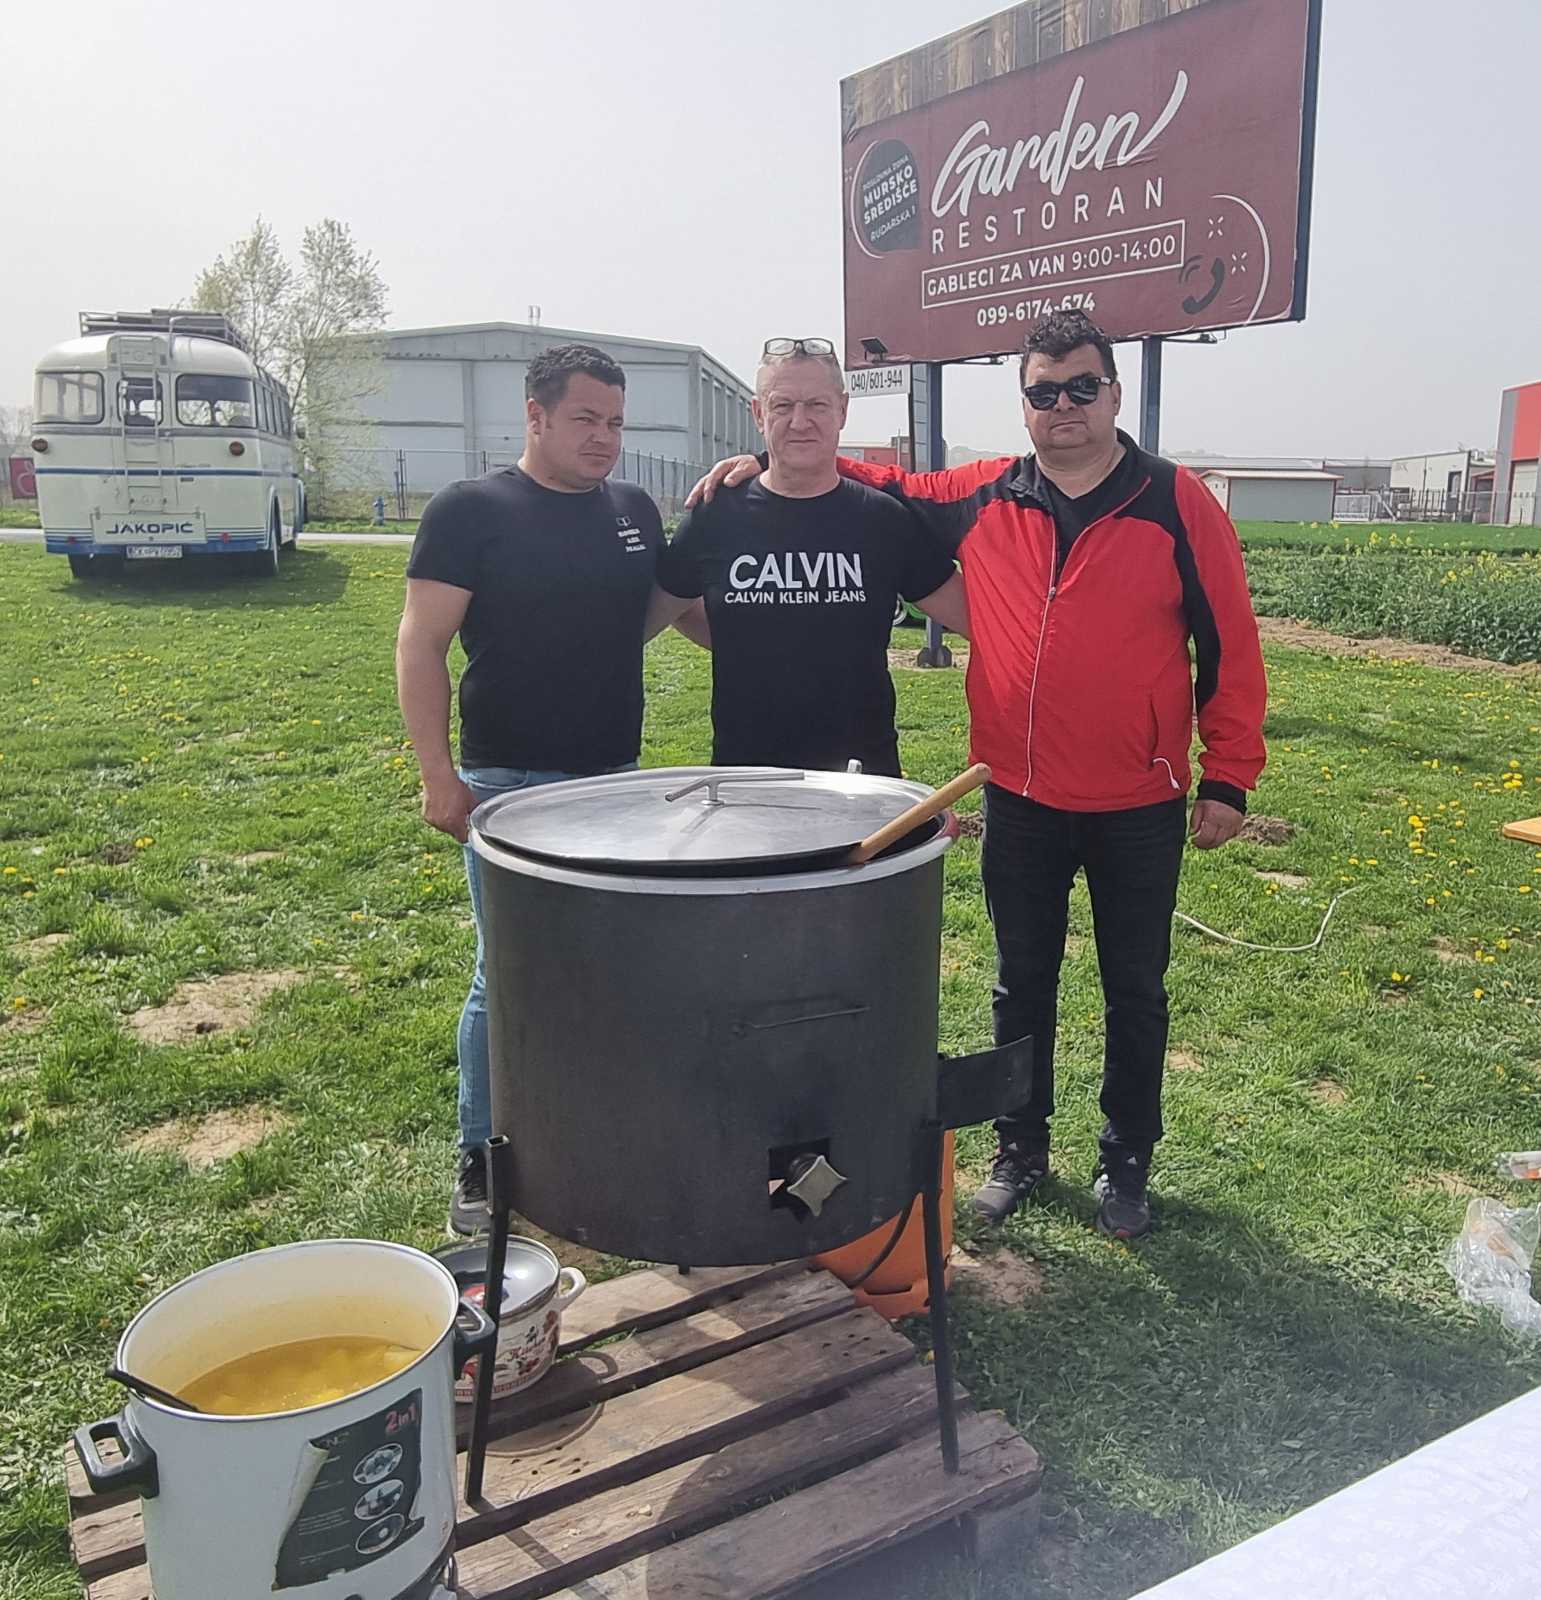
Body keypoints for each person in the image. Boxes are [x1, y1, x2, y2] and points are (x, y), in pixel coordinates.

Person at [690, 311, 1267, 1239]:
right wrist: (767, 465)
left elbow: (1228, 639)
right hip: (1019, 796)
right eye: (1044, 391)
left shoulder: (1173, 500)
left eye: (1082, 387)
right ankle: (1018, 1149)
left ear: (1113, 394)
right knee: (1018, 982)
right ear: (1023, 402)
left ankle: (1125, 1160)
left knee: (1135, 989)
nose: (1063, 405)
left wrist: (1227, 774)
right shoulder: (983, 492)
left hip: (1139, 799)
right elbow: (882, 483)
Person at [396, 343, 665, 1235]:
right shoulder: (471, 510)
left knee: (612, 967)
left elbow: (669, 611)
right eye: (585, 418)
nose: (604, 438)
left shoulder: (632, 510)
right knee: (507, 975)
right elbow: (420, 644)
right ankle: (484, 1160)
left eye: (615, 422)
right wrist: (438, 775)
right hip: (508, 785)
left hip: (613, 781)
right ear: (535, 415)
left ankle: (595, 1136)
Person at [645, 337, 966, 775]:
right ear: (758, 414)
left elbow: (978, 621)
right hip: (748, 781)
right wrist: (744, 641)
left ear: (842, 410)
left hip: (861, 783)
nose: (800, 421)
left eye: (817, 405)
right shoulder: (716, 515)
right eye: (782, 406)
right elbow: (662, 609)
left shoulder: (883, 520)